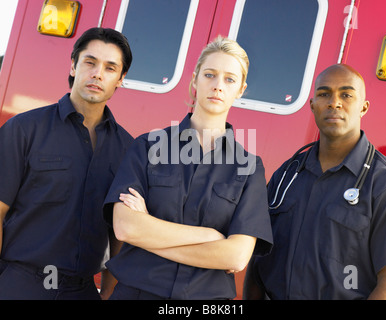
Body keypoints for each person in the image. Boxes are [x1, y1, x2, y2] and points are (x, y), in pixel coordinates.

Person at [102, 36, 273, 300]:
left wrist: (149, 231)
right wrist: (209, 237)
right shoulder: (148, 147)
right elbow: (126, 228)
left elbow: (236, 256)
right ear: (195, 80)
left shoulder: (249, 168)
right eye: (209, 75)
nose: (217, 86)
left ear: (240, 89)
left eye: (229, 79)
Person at [243, 64, 386, 300]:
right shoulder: (286, 175)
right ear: (313, 105)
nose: (334, 102)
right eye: (324, 94)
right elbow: (257, 261)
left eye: (346, 95)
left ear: (364, 107)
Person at [0, 27, 134, 300]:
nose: (97, 73)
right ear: (73, 65)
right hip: (21, 284)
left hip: (83, 290)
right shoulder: (24, 130)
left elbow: (120, 233)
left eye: (110, 68)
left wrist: (108, 292)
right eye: (90, 62)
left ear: (120, 79)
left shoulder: (127, 149)